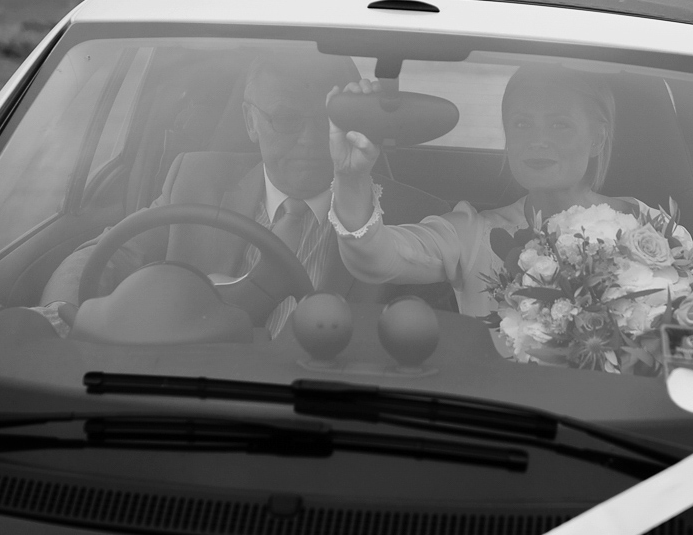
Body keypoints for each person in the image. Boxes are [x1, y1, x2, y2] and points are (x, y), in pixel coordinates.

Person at [40, 52, 446, 338]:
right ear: (250, 122)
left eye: (330, 120)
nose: (310, 140)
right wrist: (59, 322)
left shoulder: (417, 219)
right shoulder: (195, 179)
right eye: (286, 120)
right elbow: (100, 256)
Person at [329, 65, 647, 342]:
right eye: (522, 124)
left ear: (597, 139)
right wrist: (351, 176)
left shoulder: (648, 231)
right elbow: (372, 258)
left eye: (559, 124)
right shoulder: (475, 233)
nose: (537, 140)